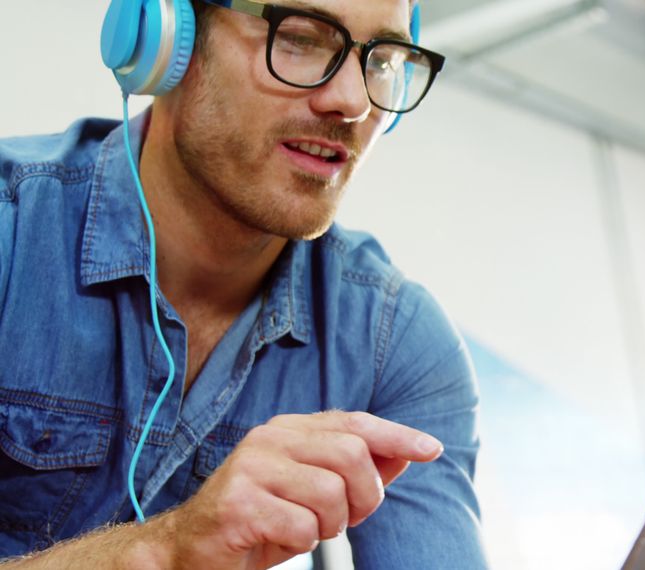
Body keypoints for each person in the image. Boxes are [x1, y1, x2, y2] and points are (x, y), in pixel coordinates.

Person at [0, 0, 486, 568]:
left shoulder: (396, 343)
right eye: (302, 39)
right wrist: (167, 550)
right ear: (166, 39)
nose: (352, 102)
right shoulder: (13, 230)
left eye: (381, 59)